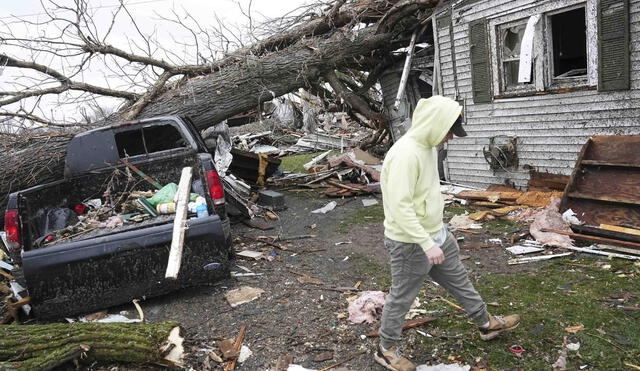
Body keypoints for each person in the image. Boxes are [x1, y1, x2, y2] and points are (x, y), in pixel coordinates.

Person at [374, 96, 521, 371]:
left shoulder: (428, 146)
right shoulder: (405, 154)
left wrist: (438, 233)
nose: (451, 138)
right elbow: (399, 206)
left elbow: (425, 192)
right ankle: (386, 349)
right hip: (410, 244)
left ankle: (486, 323)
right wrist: (426, 243)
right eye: (450, 131)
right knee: (401, 298)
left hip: (436, 235)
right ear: (434, 124)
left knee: (460, 281)